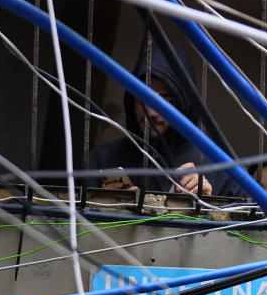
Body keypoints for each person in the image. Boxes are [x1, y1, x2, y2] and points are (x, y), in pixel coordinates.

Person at [88, 44, 242, 197]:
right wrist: (99, 207)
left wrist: (208, 208)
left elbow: (246, 218)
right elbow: (68, 217)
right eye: (143, 95)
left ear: (183, 103)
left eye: (164, 99)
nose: (151, 112)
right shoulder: (98, 162)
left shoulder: (222, 171)